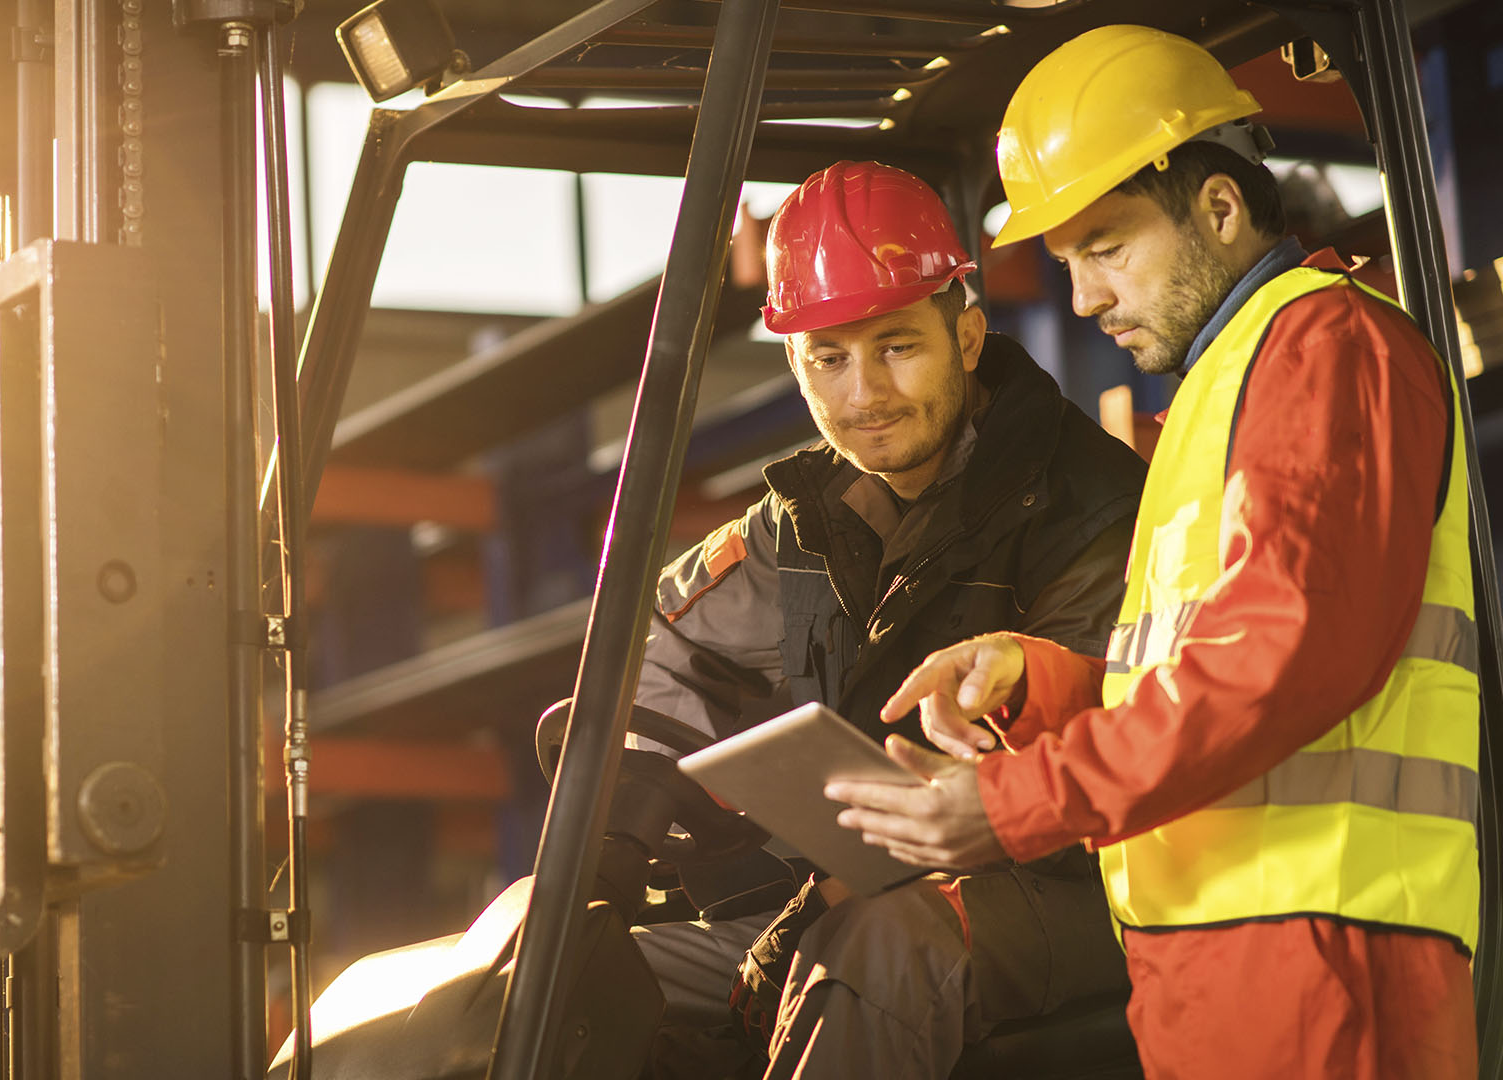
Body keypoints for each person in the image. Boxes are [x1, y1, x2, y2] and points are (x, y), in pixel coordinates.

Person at [836, 25, 1481, 1079]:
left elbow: (1283, 662)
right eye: (1068, 263)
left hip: (1321, 956)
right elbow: (1208, 673)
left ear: (1220, 209)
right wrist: (1041, 684)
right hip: (1225, 956)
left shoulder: (1322, 348)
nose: (1084, 298)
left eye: (1107, 248)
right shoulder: (1226, 384)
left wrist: (1012, 804)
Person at [627, 159, 1147, 1078]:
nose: (864, 394)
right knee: (571, 960)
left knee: (875, 950)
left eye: (897, 345)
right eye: (829, 358)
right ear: (796, 366)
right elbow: (659, 649)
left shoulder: (1088, 511)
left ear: (968, 336)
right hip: (856, 883)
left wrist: (838, 889)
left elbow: (1084, 768)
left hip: (1091, 890)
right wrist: (633, 820)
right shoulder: (802, 517)